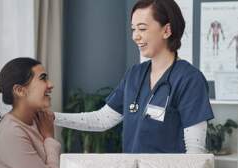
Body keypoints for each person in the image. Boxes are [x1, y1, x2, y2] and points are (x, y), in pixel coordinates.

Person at [54, 0, 214, 154]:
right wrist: (53, 118)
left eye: (142, 29)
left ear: (166, 30)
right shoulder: (134, 74)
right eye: (133, 29)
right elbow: (102, 119)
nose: (135, 36)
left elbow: (195, 151)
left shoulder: (190, 79)